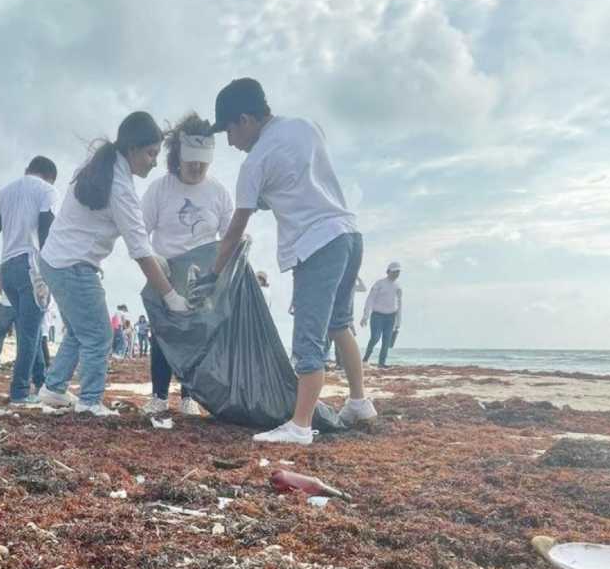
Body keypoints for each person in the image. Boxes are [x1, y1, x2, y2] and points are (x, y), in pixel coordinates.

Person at [192, 78, 377, 444]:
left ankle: (301, 425)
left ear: (245, 119)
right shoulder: (305, 126)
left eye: (229, 130)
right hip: (349, 235)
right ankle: (358, 402)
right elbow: (298, 179)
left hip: (317, 244)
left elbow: (235, 228)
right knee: (340, 324)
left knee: (307, 339)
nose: (230, 142)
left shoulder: (255, 162)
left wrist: (214, 273)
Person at [39, 111, 188, 417]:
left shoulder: (96, 166)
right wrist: (171, 297)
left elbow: (139, 242)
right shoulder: (120, 188)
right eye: (150, 153)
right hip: (73, 265)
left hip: (54, 260)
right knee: (99, 336)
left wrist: (155, 257)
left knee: (80, 332)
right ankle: (90, 402)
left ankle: (53, 388)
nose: (154, 161)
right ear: (132, 148)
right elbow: (140, 253)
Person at [140, 112, 234, 416]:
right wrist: (156, 265)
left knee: (199, 337)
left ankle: (189, 396)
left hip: (203, 275)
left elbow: (230, 235)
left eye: (202, 164)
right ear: (178, 157)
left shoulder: (218, 192)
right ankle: (158, 395)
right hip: (166, 272)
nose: (196, 169)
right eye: (191, 162)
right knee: (163, 336)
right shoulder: (159, 189)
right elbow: (139, 233)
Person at [0, 156, 58, 405]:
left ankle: (41, 382)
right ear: (50, 176)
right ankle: (20, 392)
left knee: (26, 328)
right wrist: (48, 272)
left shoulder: (5, 192)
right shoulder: (48, 191)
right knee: (30, 334)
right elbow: (45, 232)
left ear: (27, 170)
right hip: (31, 265)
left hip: (7, 266)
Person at [361, 263, 403, 368]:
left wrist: (398, 322)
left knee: (386, 340)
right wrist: (365, 316)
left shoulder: (398, 286)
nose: (396, 274)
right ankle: (365, 359)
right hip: (377, 316)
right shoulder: (379, 284)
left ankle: (381, 363)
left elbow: (399, 304)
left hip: (391, 317)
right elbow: (370, 299)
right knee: (375, 337)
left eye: (398, 272)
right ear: (388, 272)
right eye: (394, 271)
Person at [0, 278, 17, 369]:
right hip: (20, 304)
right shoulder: (27, 263)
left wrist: (5, 294)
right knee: (22, 337)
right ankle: (20, 363)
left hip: (6, 304)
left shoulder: (2, 262)